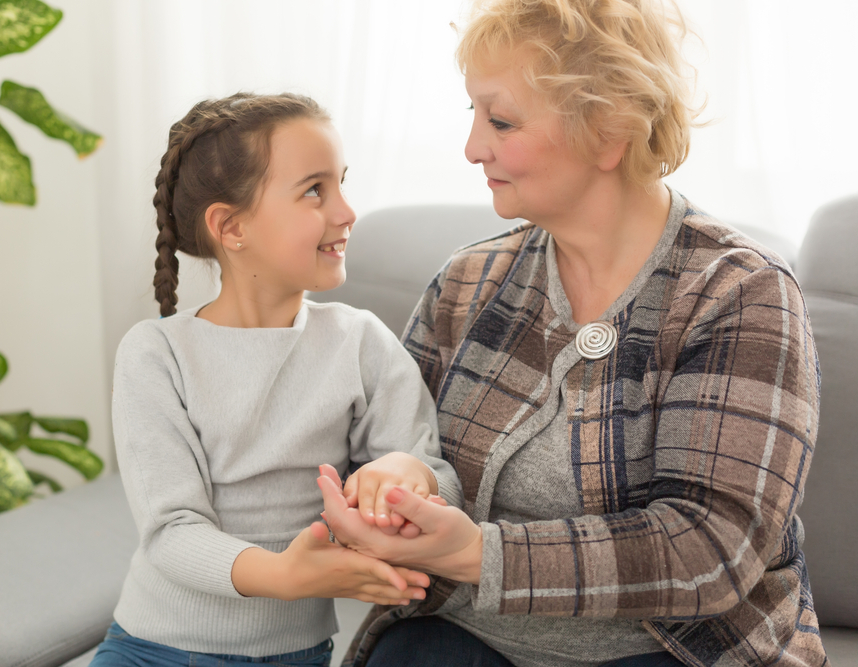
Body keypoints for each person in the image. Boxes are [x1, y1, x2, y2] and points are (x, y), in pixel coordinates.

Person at [317, 1, 826, 666]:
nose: (472, 146)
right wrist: (392, 489)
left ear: (609, 130)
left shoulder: (741, 293)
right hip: (466, 636)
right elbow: (403, 452)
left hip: (679, 650)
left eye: (500, 119)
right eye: (473, 114)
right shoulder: (465, 281)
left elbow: (709, 549)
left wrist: (476, 552)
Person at [89, 92, 463, 667]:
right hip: (153, 647)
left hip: (295, 654)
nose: (346, 211)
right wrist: (285, 575)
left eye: (341, 183)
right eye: (315, 190)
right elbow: (171, 530)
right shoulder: (156, 353)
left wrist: (406, 473)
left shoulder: (360, 341)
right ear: (230, 226)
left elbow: (437, 477)